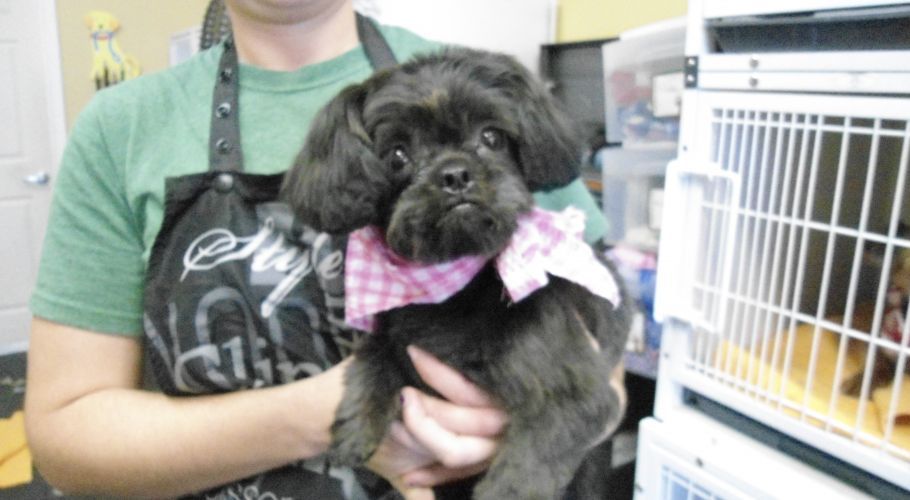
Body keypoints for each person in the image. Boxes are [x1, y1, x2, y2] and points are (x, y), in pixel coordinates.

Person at [23, 1, 610, 498]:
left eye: (485, 143)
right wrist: (317, 416)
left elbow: (605, 367)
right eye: (399, 160)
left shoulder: (482, 83)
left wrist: (541, 421)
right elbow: (64, 440)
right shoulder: (120, 129)